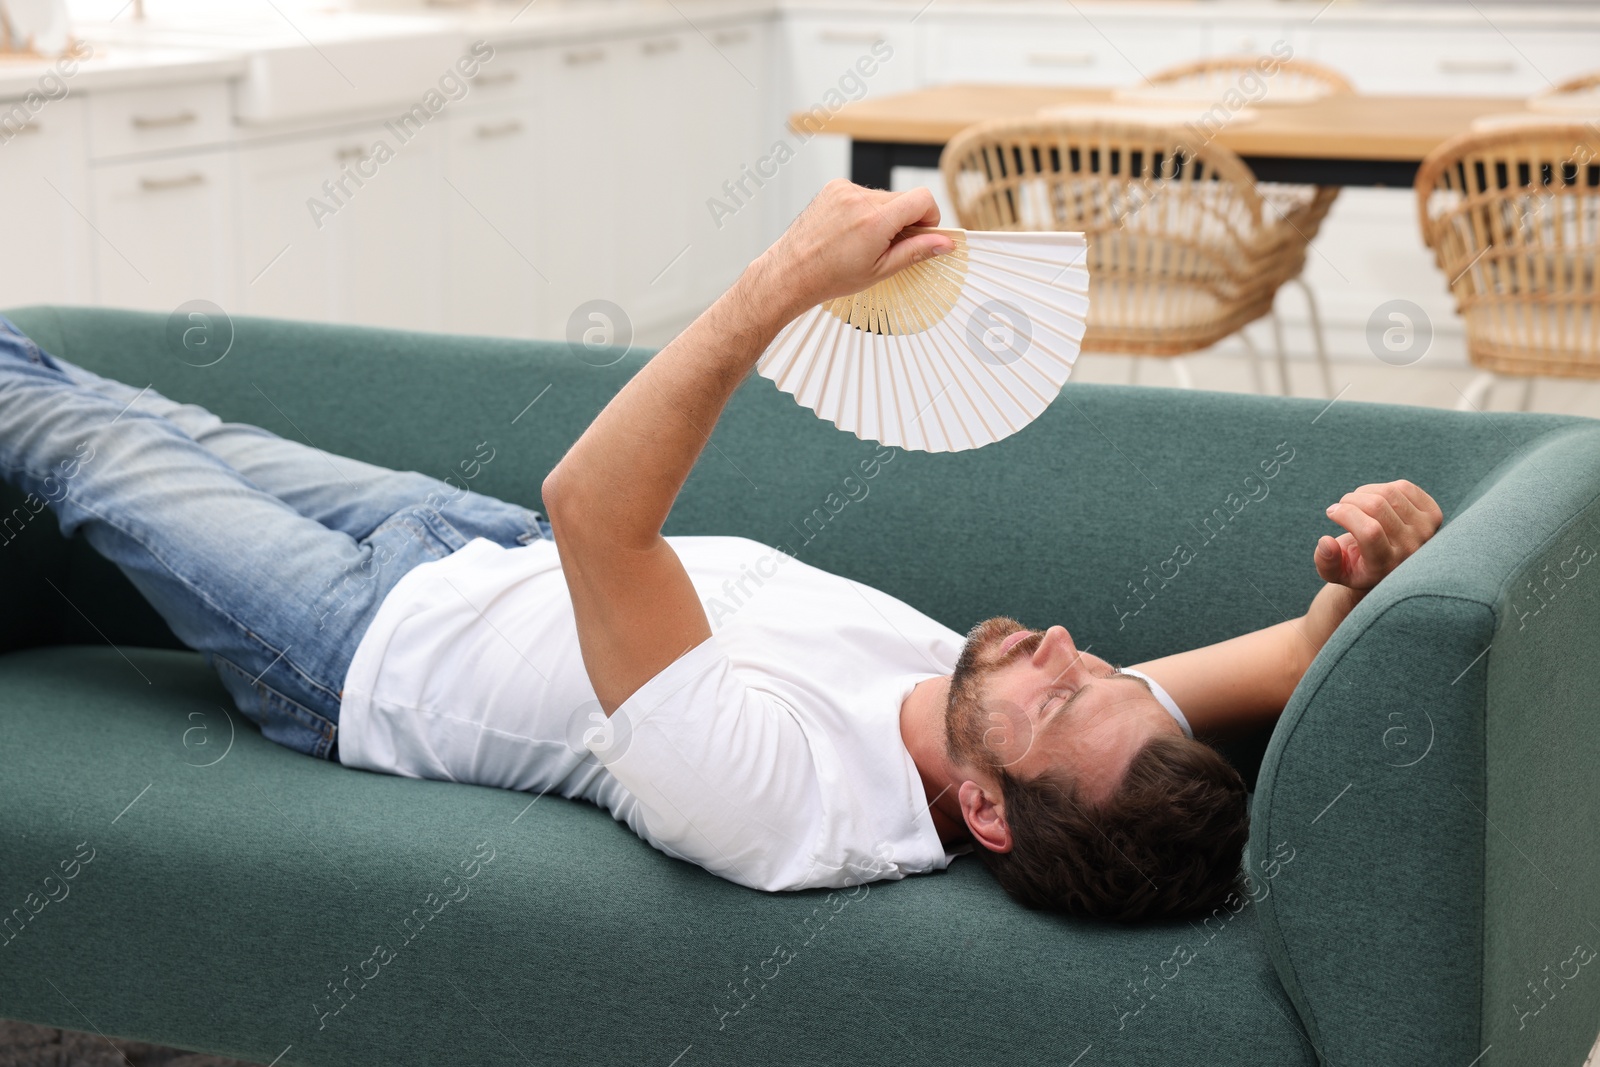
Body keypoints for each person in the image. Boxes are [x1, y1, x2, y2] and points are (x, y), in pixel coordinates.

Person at [0, 181, 1442, 922]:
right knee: (133, 404)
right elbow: (1308, 653)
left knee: (79, 452)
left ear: (988, 819)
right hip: (464, 545)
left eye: (1062, 694)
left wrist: (782, 282)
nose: (1066, 646)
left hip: (357, 647)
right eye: (1101, 667)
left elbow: (594, 511)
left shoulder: (781, 807)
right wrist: (1386, 555)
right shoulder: (1061, 745)